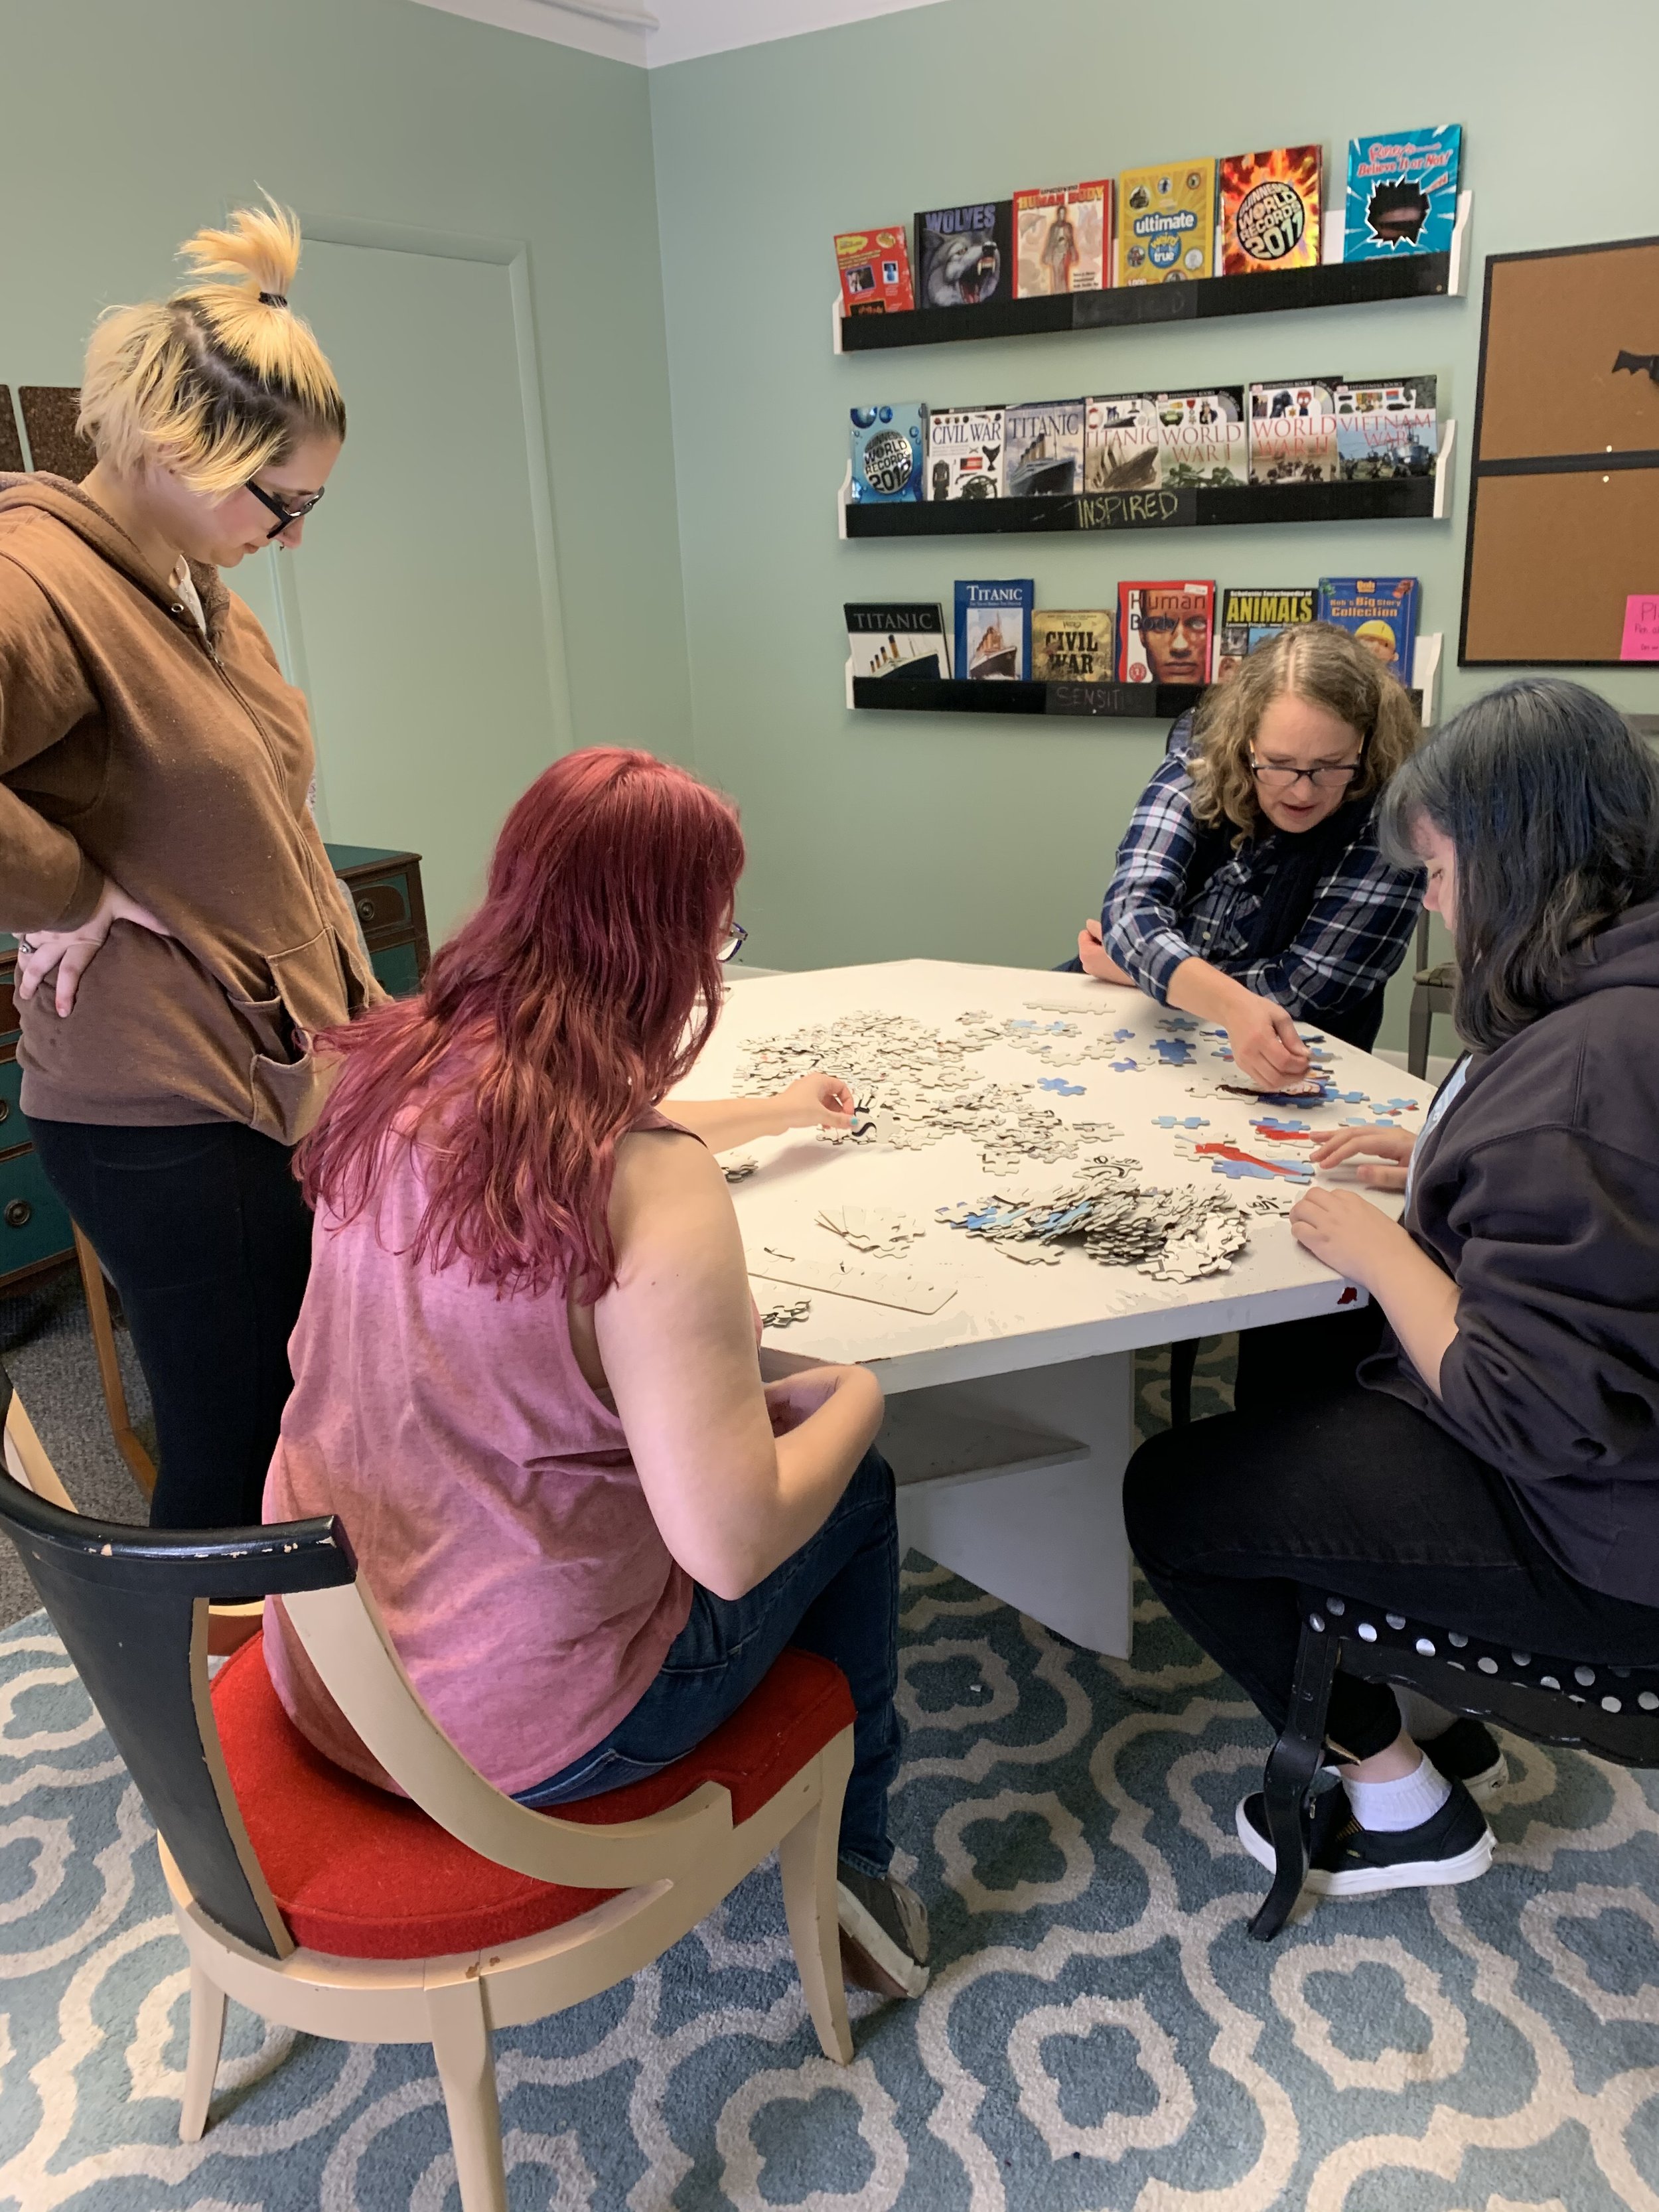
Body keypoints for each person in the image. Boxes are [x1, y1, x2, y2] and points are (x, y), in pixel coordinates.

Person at [263, 747, 930, 1999]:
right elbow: (730, 1544)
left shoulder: (391, 1065)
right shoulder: (643, 1181)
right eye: (719, 929)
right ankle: (856, 1862)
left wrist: (774, 1108)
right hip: (521, 1737)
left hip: (332, 1665)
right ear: (673, 945)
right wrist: (858, 1390)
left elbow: (590, 1121)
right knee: (860, 1481)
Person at [1123, 678, 1659, 1903]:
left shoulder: (1586, 1076)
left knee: (1176, 1490)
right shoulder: (1616, 988)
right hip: (1617, 1468)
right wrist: (1440, 1148)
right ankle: (1414, 1666)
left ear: (1518, 860)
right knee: (1315, 1384)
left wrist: (1382, 1246)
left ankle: (1399, 1792)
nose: (1431, 899)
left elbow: (1528, 1408)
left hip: (1601, 1538)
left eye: (1440, 869)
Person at [0, 201, 368, 1530]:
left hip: (259, 1078)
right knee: (236, 1438)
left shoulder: (186, 583)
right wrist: (64, 887)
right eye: (284, 501)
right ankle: (207, 1721)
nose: (295, 534)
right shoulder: (38, 581)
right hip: (161, 1109)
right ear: (173, 447)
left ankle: (304, 1679)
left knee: (308, 1405)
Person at [1073, 623, 1423, 1086]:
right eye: (1278, 764)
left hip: (1296, 1068)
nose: (1302, 790)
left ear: (1365, 744)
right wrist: (1227, 1001)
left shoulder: (1395, 826)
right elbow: (1130, 911)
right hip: (1141, 1038)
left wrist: (1145, 970)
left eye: (1330, 766)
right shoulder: (1198, 765)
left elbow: (1303, 986)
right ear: (1245, 741)